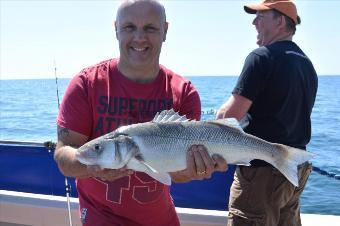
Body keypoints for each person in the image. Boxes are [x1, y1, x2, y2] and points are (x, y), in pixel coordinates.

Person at [54, 1, 227, 226]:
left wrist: (196, 169)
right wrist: (89, 167)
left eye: (150, 28)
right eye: (129, 27)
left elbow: (177, 174)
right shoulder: (86, 84)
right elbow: (63, 154)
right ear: (116, 28)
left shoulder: (184, 93)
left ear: (165, 30)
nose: (139, 37)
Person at [216, 0, 318, 225]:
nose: (254, 22)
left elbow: (228, 118)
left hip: (261, 173)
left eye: (261, 17)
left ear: (280, 21)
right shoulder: (307, 66)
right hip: (295, 168)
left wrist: (218, 114)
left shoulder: (261, 57)